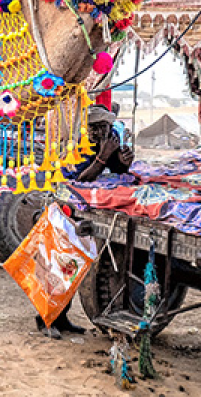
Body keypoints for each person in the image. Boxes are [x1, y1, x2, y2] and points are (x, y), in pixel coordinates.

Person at [36, 104, 134, 339]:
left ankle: (62, 319)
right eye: (98, 127)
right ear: (87, 129)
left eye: (106, 126)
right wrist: (102, 157)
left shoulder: (105, 144)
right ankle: (45, 320)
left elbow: (116, 170)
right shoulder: (73, 147)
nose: (103, 131)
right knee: (55, 267)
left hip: (79, 214)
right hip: (61, 213)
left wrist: (122, 160)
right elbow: (78, 179)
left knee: (71, 268)